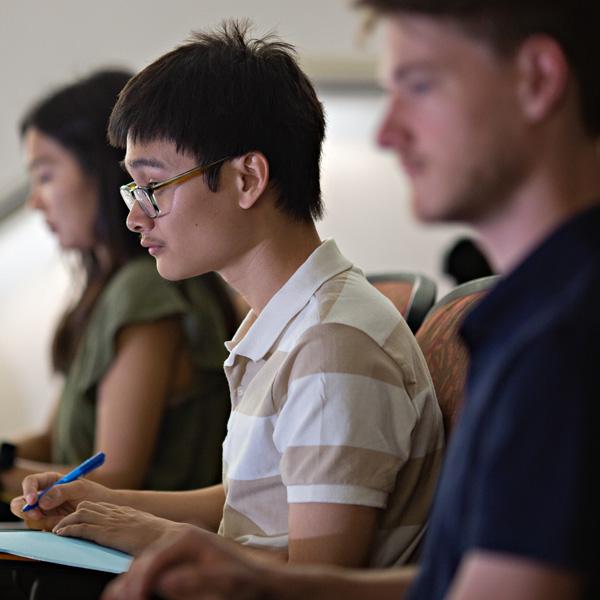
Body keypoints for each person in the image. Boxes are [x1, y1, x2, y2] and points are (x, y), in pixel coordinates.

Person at [91, 0, 599, 598]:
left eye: (421, 84)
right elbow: (452, 584)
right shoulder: (526, 321)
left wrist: (169, 544)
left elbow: (331, 564)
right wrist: (121, 512)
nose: (387, 131)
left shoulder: (561, 336)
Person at [11, 21, 444, 570]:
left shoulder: (333, 346)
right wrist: (105, 503)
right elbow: (252, 504)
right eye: (131, 188)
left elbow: (320, 577)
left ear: (247, 179)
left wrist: (150, 535)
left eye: (153, 188)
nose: (134, 215)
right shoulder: (287, 324)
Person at [0, 70, 236, 506]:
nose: (34, 200)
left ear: (102, 171)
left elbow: (117, 476)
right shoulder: (106, 293)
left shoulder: (144, 291)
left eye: (46, 175)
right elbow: (55, 439)